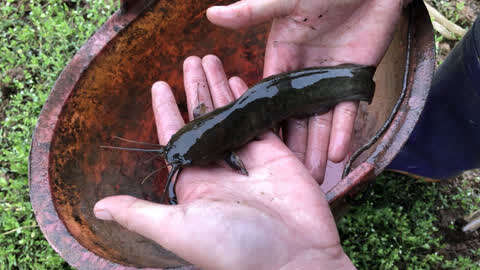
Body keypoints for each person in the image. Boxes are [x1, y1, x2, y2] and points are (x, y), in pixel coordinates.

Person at [94, 0, 410, 269]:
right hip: (267, 97)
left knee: (282, 96)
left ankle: (357, 83)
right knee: (274, 98)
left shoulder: (224, 148)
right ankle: (356, 82)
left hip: (273, 95)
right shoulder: (219, 137)